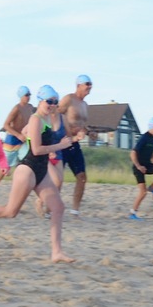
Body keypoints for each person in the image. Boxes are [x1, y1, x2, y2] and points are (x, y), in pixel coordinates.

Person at [0, 85, 80, 263]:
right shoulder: (36, 118)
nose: (52, 104)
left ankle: (57, 252)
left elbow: (28, 133)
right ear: (40, 101)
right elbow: (37, 149)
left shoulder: (46, 119)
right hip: (28, 169)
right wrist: (59, 147)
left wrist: (29, 135)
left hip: (41, 170)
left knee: (58, 208)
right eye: (49, 101)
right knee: (10, 212)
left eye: (55, 102)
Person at [58, 74, 94, 215]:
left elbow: (83, 125)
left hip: (75, 145)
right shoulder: (69, 99)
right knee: (57, 180)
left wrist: (89, 132)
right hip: (62, 143)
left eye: (91, 84)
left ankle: (75, 210)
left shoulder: (85, 105)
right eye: (87, 84)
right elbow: (55, 115)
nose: (90, 87)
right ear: (78, 85)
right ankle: (46, 206)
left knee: (82, 177)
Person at [1, 86, 33, 169]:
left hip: (23, 139)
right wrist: (18, 135)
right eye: (26, 95)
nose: (28, 97)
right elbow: (6, 125)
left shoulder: (30, 107)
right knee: (6, 167)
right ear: (21, 96)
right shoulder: (16, 108)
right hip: (12, 139)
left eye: (29, 95)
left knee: (27, 161)